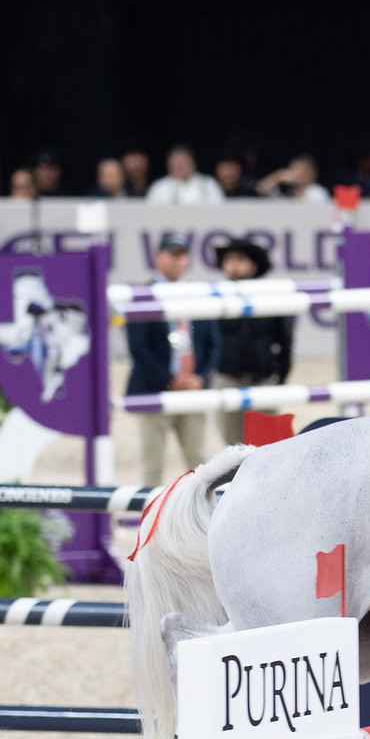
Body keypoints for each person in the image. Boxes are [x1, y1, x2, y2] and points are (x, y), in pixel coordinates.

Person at [126, 232, 216, 485]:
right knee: (152, 463)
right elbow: (138, 347)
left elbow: (213, 343)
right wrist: (170, 380)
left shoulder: (198, 293)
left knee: (199, 460)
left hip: (192, 388)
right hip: (156, 388)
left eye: (182, 255)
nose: (178, 261)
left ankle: (202, 518)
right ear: (157, 257)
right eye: (172, 254)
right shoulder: (143, 294)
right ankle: (152, 520)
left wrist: (202, 377)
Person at [207, 238, 295, 444]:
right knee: (231, 449)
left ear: (254, 265)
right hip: (227, 377)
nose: (233, 265)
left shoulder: (271, 296)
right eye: (228, 259)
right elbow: (204, 340)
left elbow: (286, 339)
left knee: (268, 446)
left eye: (240, 259)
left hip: (263, 378)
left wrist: (279, 376)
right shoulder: (215, 296)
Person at [146, 145, 223, 205]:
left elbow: (220, 208)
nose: (180, 165)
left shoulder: (208, 184)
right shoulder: (159, 187)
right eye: (176, 161)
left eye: (183, 161)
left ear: (193, 162)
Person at [257, 153, 328, 202]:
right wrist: (278, 176)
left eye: (301, 171)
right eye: (293, 170)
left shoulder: (316, 192)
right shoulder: (285, 189)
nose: (297, 174)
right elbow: (262, 189)